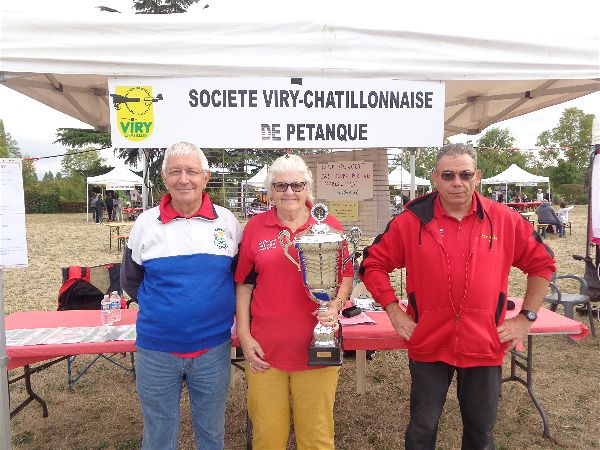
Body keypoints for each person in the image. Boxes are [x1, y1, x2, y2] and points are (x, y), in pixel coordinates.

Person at [360, 143, 555, 450]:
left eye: (465, 174)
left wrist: (526, 317)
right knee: (422, 428)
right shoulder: (412, 220)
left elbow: (543, 265)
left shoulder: (502, 219)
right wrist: (394, 311)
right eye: (448, 175)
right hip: (428, 340)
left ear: (477, 176)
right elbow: (372, 263)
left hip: (485, 342)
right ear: (435, 178)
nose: (457, 182)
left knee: (480, 432)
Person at [121, 142, 242, 450]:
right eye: (175, 172)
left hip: (213, 349)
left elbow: (239, 278)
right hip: (157, 350)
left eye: (191, 171)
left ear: (206, 177)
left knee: (212, 433)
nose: (183, 179)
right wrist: (169, 313)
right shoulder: (145, 224)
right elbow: (131, 281)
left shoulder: (228, 222)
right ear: (164, 178)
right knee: (159, 435)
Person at [234, 154, 354, 450]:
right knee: (267, 436)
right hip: (266, 351)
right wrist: (245, 339)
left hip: (318, 348)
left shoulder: (328, 225)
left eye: (297, 185)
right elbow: (244, 285)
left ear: (308, 188)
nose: (289, 192)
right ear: (270, 190)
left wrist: (336, 305)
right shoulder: (255, 228)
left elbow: (346, 275)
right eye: (281, 185)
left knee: (316, 437)